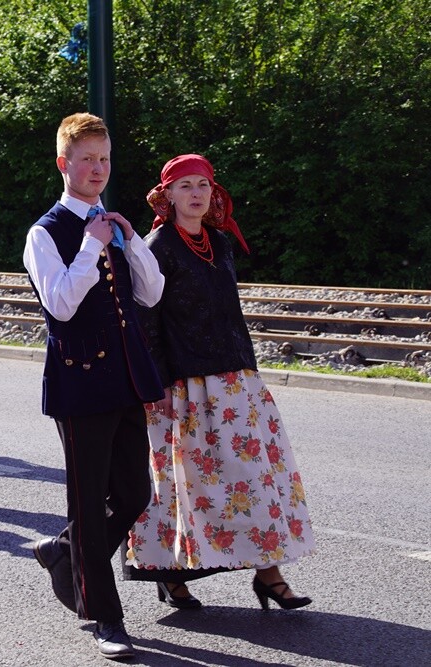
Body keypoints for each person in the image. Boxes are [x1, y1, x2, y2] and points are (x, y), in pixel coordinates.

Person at [124, 153, 315, 611]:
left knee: (256, 482)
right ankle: (169, 573)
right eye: (185, 185)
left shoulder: (221, 243)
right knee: (184, 486)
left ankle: (268, 575)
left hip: (236, 379)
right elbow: (146, 322)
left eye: (203, 186)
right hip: (185, 386)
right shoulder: (156, 247)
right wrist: (158, 389)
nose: (196, 194)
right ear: (167, 194)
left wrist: (250, 374)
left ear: (214, 194)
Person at [22, 112, 165, 660]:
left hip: (127, 378)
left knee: (134, 495)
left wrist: (131, 241)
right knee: (87, 499)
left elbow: (150, 295)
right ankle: (106, 616)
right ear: (65, 164)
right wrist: (89, 245)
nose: (97, 169)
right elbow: (59, 303)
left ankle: (65, 552)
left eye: (104, 159)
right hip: (80, 383)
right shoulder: (45, 232)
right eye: (86, 159)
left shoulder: (114, 223)